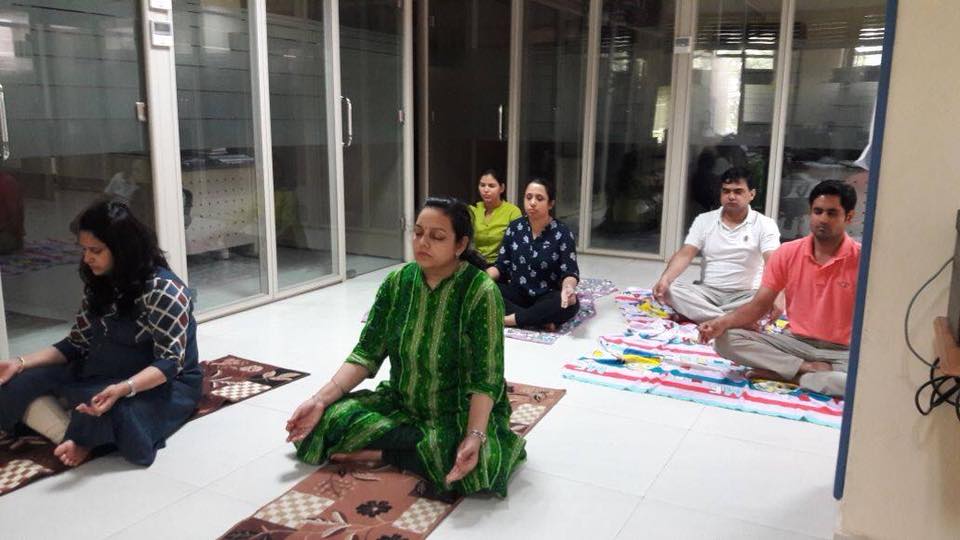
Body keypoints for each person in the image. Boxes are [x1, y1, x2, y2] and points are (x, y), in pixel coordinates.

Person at [285, 197, 525, 497]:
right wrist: (319, 400)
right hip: (403, 401)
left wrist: (475, 435)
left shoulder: (481, 292)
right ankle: (408, 449)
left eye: (437, 237)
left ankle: (385, 453)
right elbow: (366, 352)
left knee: (477, 464)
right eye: (418, 232)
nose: (423, 242)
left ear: (460, 245)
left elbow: (486, 376)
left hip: (457, 411)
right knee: (325, 423)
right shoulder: (397, 282)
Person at [0, 200, 202, 466]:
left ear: (123, 249)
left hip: (161, 382)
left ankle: (77, 429)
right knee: (14, 383)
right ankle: (72, 434)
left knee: (119, 409)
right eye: (84, 249)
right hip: (104, 367)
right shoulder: (101, 280)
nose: (87, 258)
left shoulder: (164, 290)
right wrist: (20, 362)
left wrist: (123, 389)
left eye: (96, 250)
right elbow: (76, 343)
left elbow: (169, 363)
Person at [698, 180, 861, 397]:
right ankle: (807, 370)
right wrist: (721, 322)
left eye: (832, 213)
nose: (823, 219)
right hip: (796, 342)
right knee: (727, 339)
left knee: (863, 384)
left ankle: (788, 374)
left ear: (848, 217)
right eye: (818, 211)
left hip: (844, 352)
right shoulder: (788, 252)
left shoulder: (863, 259)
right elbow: (759, 305)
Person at [653, 167, 783, 323]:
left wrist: (779, 294)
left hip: (746, 295)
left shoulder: (765, 224)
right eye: (726, 191)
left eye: (738, 191)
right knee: (671, 290)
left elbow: (774, 262)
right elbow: (686, 253)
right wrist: (665, 279)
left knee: (766, 299)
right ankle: (731, 320)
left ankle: (703, 316)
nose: (731, 196)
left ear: (752, 194)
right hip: (707, 293)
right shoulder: (704, 220)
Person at [486, 178, 579, 330]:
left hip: (547, 296)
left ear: (550, 204)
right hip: (518, 293)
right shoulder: (515, 227)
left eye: (539, 198)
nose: (532, 202)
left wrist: (568, 288)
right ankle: (538, 320)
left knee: (569, 303)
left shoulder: (562, 232)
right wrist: (482, 279)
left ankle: (509, 320)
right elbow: (501, 265)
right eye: (528, 197)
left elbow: (570, 271)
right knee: (486, 290)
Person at [469, 169, 522, 265]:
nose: (486, 190)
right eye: (482, 185)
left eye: (491, 186)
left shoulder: (512, 212)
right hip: (474, 263)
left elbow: (517, 246)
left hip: (501, 265)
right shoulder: (472, 209)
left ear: (501, 188)